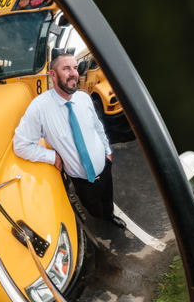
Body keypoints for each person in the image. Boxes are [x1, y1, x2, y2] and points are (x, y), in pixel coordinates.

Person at [13, 52, 125, 227]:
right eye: (66, 68)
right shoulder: (39, 108)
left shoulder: (84, 98)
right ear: (53, 74)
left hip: (105, 166)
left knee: (107, 199)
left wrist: (107, 152)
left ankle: (109, 216)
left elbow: (97, 127)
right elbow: (20, 144)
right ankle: (100, 217)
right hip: (81, 180)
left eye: (75, 68)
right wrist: (51, 157)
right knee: (93, 209)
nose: (74, 73)